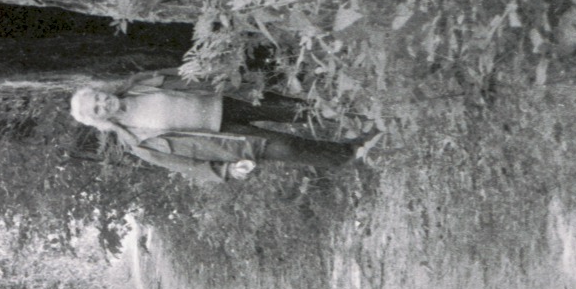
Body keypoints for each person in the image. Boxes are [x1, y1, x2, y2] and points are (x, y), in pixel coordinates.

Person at [69, 71, 363, 187]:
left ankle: (355, 114)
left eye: (97, 97)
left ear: (100, 91)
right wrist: (224, 172)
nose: (102, 104)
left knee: (292, 109)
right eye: (96, 110)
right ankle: (350, 153)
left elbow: (184, 73)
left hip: (229, 98)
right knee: (285, 147)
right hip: (225, 139)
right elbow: (184, 165)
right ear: (100, 121)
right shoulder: (138, 142)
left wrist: (225, 72)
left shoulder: (138, 84)